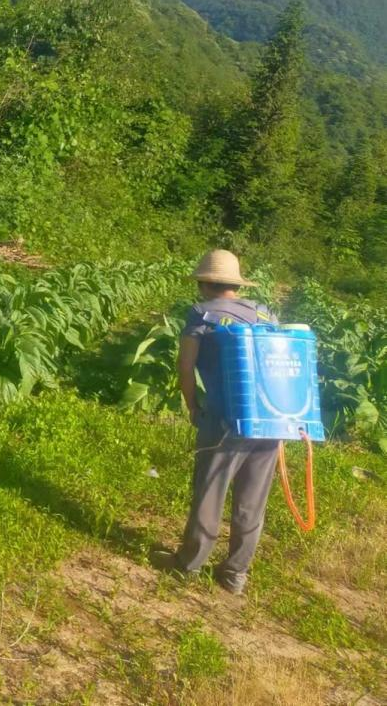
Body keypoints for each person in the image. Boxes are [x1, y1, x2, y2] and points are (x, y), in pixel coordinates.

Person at [171, 249, 278, 594]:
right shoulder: (265, 315)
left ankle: (189, 564)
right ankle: (235, 575)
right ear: (234, 284)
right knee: (252, 500)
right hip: (270, 420)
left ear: (204, 283)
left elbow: (186, 367)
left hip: (225, 419)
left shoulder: (202, 314)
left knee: (209, 492)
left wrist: (192, 405)